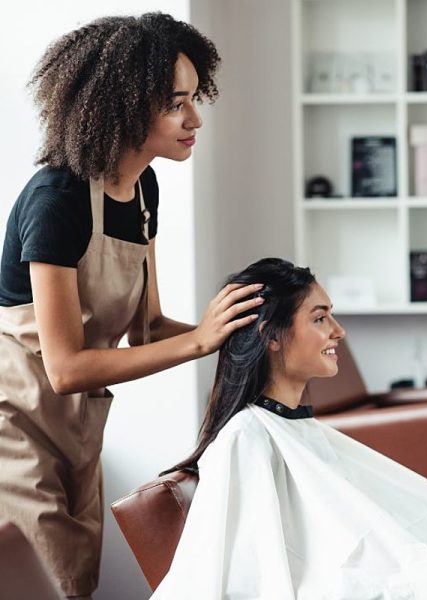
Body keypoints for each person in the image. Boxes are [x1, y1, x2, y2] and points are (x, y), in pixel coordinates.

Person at [0, 14, 264, 599]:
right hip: (14, 425)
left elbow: (146, 331)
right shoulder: (58, 199)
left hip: (79, 428)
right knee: (47, 586)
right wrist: (199, 340)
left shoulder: (143, 190)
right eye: (177, 104)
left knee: (77, 579)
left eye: (196, 98)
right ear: (122, 106)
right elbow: (65, 368)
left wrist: (234, 333)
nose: (195, 118)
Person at [152, 257, 427, 599]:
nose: (338, 331)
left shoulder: (293, 426)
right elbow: (260, 572)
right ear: (271, 338)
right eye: (319, 318)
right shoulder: (246, 438)